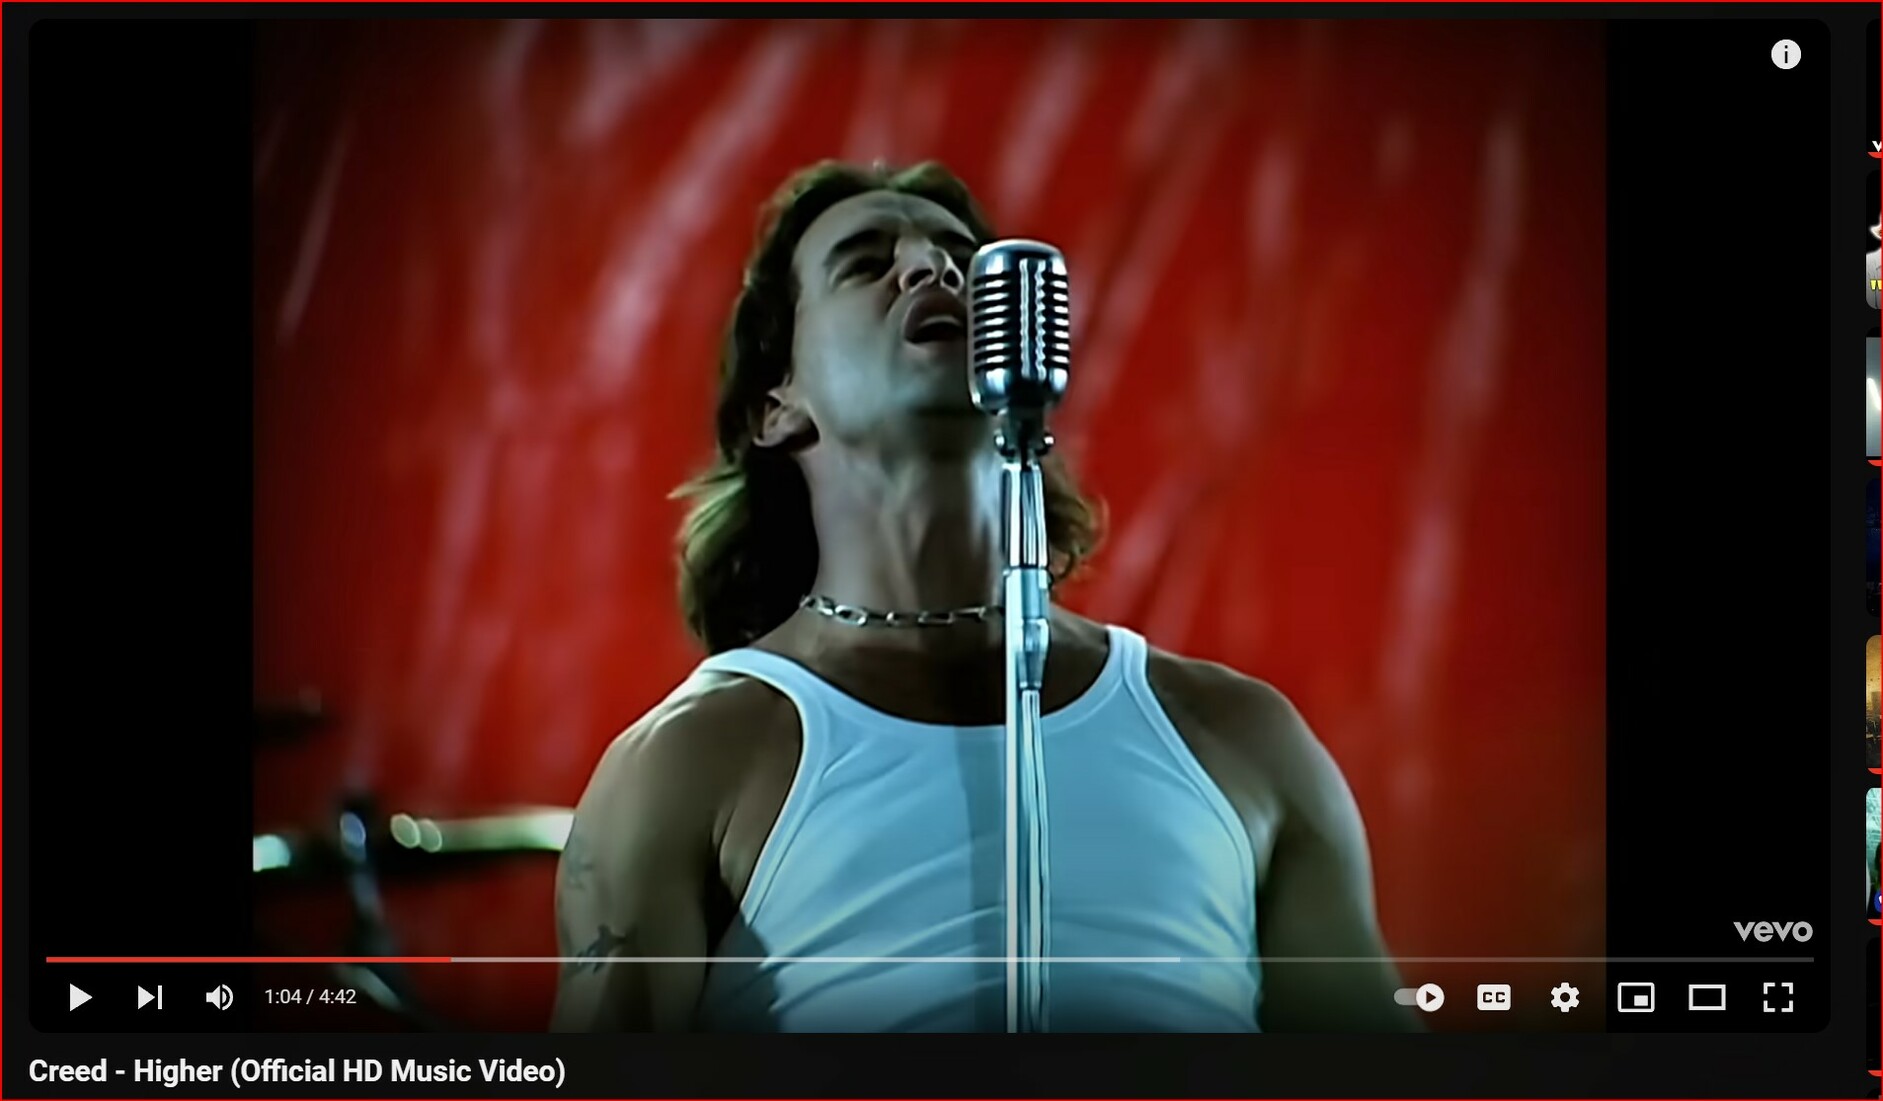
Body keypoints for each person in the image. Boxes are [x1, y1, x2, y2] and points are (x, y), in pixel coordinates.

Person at [550, 160, 1414, 1034]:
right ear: (777, 406)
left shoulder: (1236, 737)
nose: (933, 269)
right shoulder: (690, 762)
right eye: (865, 261)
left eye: (962, 257)